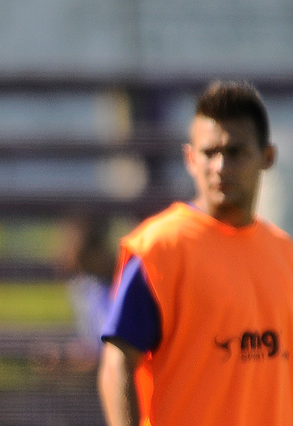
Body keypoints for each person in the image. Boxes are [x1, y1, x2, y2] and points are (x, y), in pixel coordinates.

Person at [98, 81, 293, 426]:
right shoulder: (161, 248)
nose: (220, 166)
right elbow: (117, 363)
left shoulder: (285, 255)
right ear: (190, 158)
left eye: (235, 152)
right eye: (209, 153)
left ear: (267, 157)